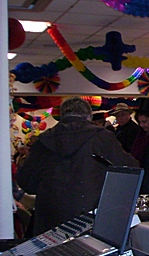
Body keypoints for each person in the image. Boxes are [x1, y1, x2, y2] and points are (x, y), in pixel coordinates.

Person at [16, 97, 138, 235]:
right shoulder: (102, 137)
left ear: (61, 116)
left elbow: (26, 182)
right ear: (89, 116)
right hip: (91, 215)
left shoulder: (43, 141)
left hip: (50, 216)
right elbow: (130, 169)